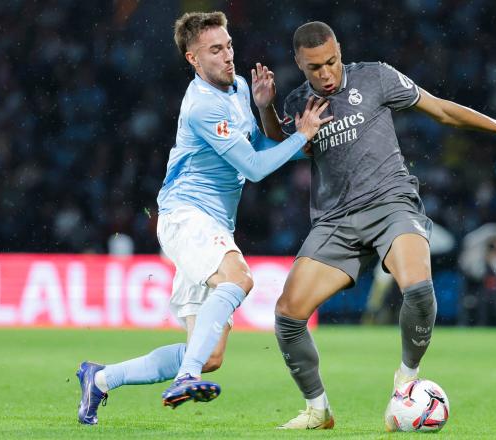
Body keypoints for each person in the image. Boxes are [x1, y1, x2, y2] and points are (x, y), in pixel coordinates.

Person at [272, 21, 496, 430]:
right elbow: (280, 151)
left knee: (418, 288)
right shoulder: (297, 103)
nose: (325, 74)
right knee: (288, 316)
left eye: (331, 62)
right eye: (314, 68)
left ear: (339, 50)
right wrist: (263, 110)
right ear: (298, 63)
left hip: (390, 203)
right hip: (334, 221)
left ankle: (406, 381)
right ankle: (318, 410)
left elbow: (442, 109)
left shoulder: (376, 76)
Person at [75, 11, 331, 425]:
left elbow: (262, 143)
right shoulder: (201, 107)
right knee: (238, 279)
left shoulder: (240, 87)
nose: (228, 55)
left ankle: (101, 378)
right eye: (215, 50)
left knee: (209, 354)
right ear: (194, 59)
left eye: (228, 45)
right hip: (185, 215)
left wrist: (265, 108)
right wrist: (302, 135)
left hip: (211, 225)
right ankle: (185, 377)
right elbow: (253, 168)